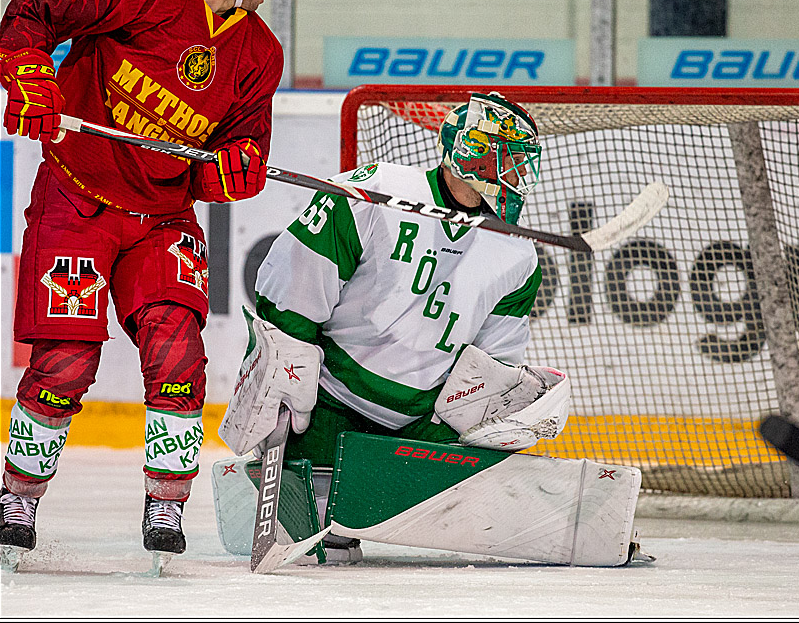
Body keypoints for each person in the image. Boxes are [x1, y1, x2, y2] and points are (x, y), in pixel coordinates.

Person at [0, 0, 294, 567]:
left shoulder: (260, 53)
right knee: (66, 361)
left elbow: (237, 149)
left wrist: (237, 168)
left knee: (178, 352)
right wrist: (30, 72)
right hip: (78, 199)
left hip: (162, 218)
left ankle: (166, 502)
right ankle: (17, 495)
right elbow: (31, 10)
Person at [221, 92, 553, 562]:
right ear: (476, 150)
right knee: (327, 549)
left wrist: (501, 396)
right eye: (514, 157)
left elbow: (495, 359)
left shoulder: (519, 252)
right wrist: (284, 356)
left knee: (498, 499)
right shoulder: (378, 189)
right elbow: (295, 276)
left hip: (419, 428)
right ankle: (310, 482)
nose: (522, 173)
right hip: (329, 406)